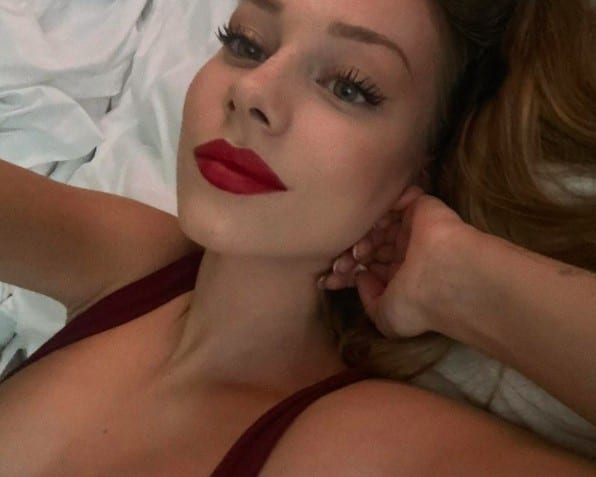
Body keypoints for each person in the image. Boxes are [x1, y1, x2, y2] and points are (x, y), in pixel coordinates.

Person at [0, 0, 594, 476]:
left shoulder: (375, 447)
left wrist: (467, 283)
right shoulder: (135, 262)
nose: (252, 90)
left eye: (349, 87)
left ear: (423, 167)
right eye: (246, 43)